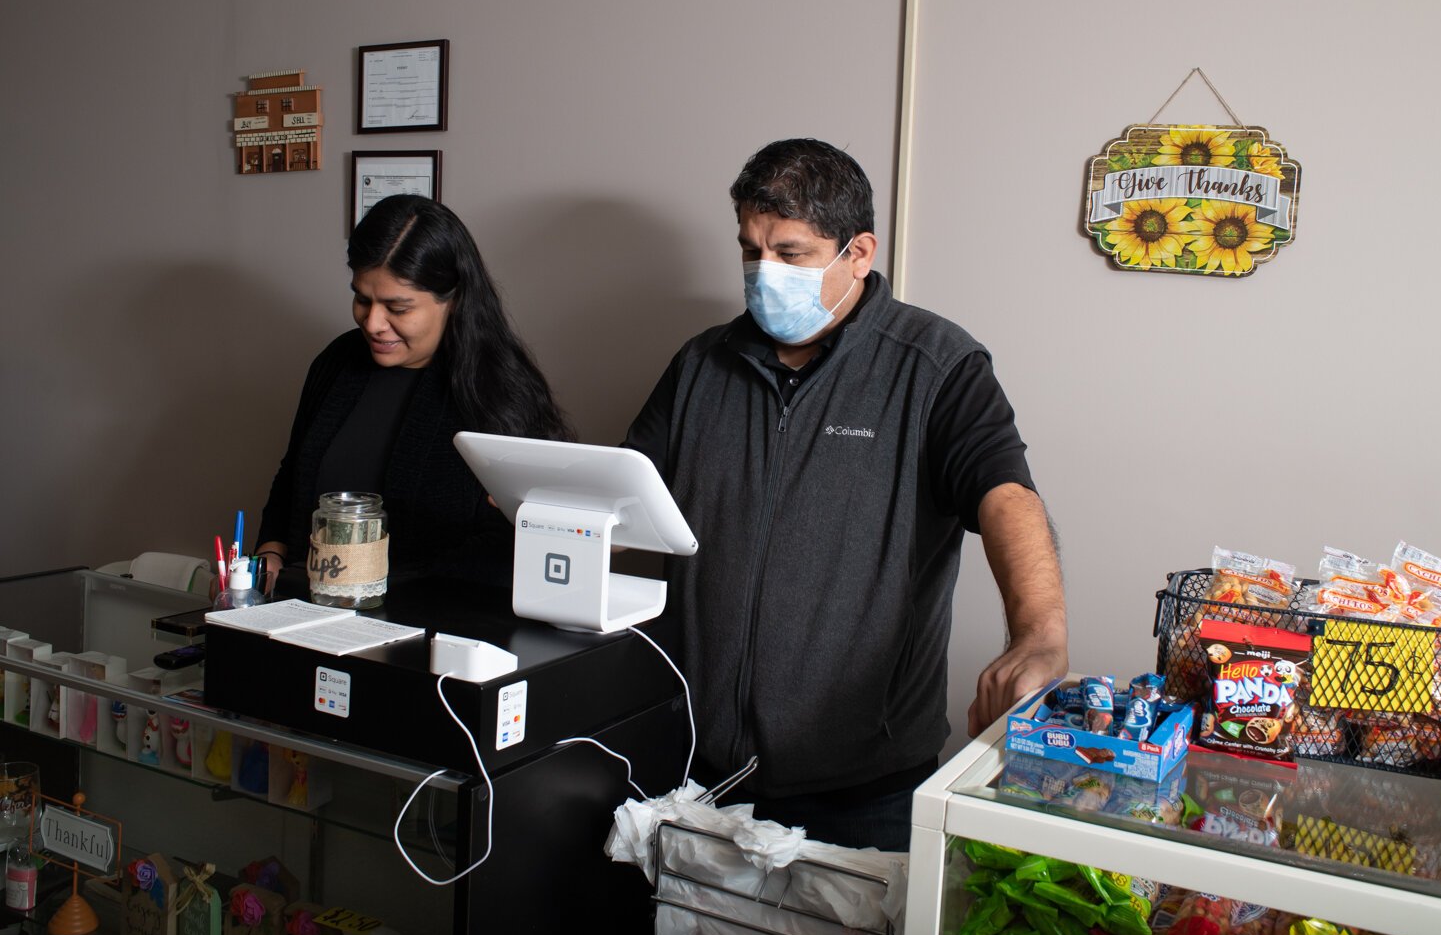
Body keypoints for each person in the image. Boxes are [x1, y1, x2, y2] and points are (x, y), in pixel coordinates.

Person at [623, 139, 1067, 850]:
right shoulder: (702, 363)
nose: (764, 273)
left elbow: (1006, 494)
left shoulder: (936, 366)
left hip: (866, 786)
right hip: (697, 768)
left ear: (858, 252)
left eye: (791, 254)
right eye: (750, 249)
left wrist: (1040, 636)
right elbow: (629, 494)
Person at [256, 194, 572, 592]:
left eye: (398, 308)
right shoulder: (336, 362)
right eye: (361, 299)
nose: (372, 323)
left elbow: (521, 540)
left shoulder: (501, 389)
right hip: (312, 608)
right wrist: (271, 552)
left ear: (453, 300)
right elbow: (293, 474)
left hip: (438, 628)